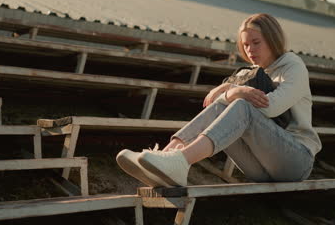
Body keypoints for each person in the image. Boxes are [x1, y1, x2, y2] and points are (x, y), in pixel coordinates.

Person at [116, 13, 321, 187]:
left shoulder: (293, 65)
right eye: (245, 45)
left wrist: (232, 90)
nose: (250, 50)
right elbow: (223, 102)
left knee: (241, 106)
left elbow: (270, 107)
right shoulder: (254, 73)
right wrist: (232, 91)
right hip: (259, 168)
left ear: (273, 39)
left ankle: (181, 162)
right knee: (226, 106)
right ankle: (166, 157)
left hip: (296, 161)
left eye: (256, 43)